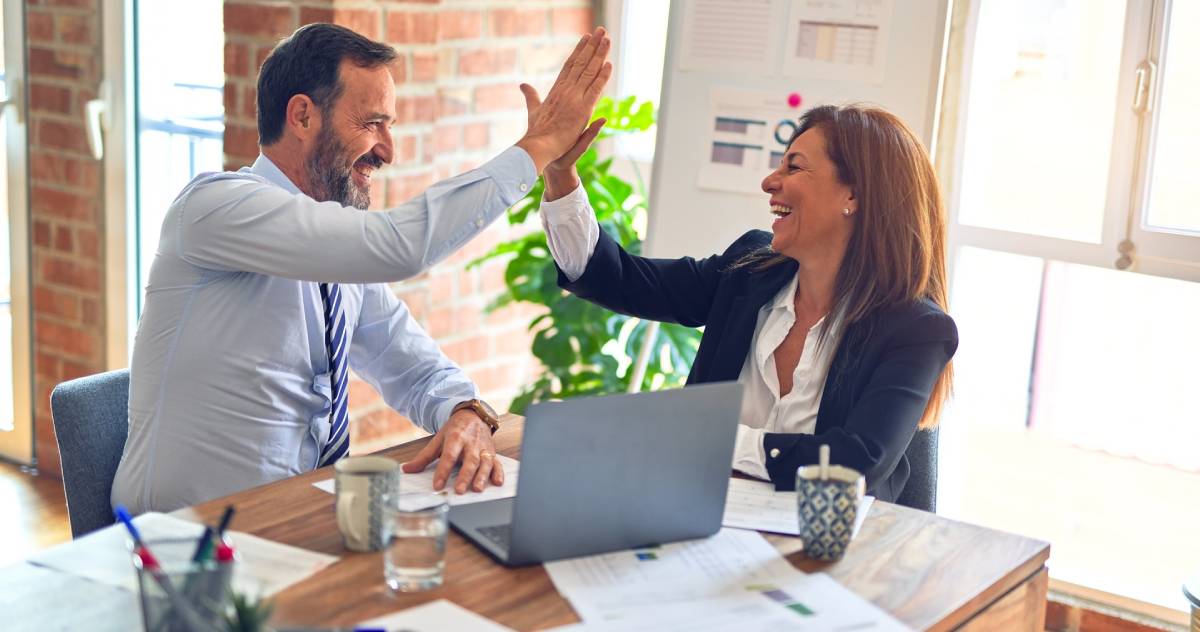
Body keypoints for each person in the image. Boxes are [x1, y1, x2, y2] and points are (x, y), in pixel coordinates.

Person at [112, 23, 612, 513]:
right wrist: (538, 147)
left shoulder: (336, 255)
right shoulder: (215, 207)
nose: (388, 150)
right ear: (303, 117)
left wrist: (466, 411)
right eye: (372, 123)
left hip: (296, 522)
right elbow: (400, 247)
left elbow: (411, 364)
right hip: (183, 544)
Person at [538, 104, 957, 502]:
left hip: (831, 553)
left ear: (854, 196)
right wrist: (560, 173)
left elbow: (853, 464)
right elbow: (619, 279)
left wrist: (710, 438)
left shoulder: (916, 329)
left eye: (793, 166)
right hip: (701, 520)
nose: (770, 182)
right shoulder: (749, 271)